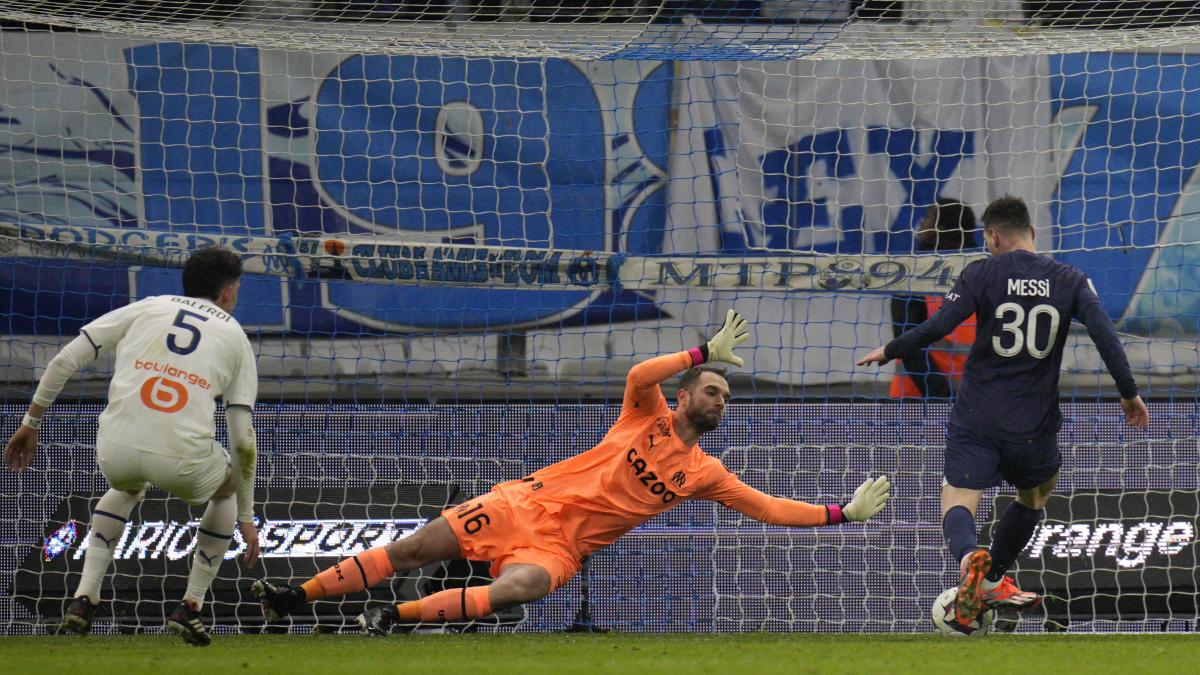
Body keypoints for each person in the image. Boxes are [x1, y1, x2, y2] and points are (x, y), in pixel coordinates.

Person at [252, 310, 892, 634]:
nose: (720, 400)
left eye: (727, 395)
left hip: (560, 546)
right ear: (687, 394)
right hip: (522, 503)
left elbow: (768, 507)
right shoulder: (646, 414)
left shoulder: (704, 472)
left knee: (519, 591)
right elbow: (640, 374)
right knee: (415, 546)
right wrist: (699, 351)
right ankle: (294, 598)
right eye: (712, 389)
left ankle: (398, 618)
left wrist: (841, 513)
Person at [857, 195, 1149, 628]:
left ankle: (970, 556)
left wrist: (891, 349)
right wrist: (1129, 394)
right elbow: (1105, 334)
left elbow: (937, 326)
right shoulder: (1070, 278)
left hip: (977, 415)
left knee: (958, 497)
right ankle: (993, 575)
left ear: (992, 236)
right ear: (1032, 232)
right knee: (1035, 494)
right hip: (1034, 422)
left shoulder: (982, 272)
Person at [3, 246, 262, 646]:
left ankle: (84, 599)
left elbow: (62, 362)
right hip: (184, 462)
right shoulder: (234, 336)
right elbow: (244, 441)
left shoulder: (148, 306)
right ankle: (190, 606)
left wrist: (29, 425)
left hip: (115, 450)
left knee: (125, 486)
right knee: (226, 485)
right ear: (229, 293)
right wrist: (246, 514)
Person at [890, 199, 979, 399]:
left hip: (917, 401)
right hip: (971, 400)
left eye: (928, 218)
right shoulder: (984, 270)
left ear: (941, 228)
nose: (922, 224)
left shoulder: (912, 273)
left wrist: (942, 400)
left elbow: (907, 346)